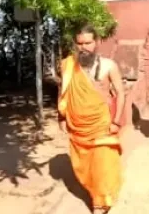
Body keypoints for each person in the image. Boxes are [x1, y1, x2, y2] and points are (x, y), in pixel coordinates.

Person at [57, 24, 126, 214]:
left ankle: (101, 203)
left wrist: (116, 121)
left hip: (101, 124)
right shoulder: (68, 66)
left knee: (103, 163)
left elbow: (120, 93)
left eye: (88, 42)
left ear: (96, 42)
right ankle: (95, 193)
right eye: (79, 43)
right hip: (77, 127)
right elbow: (62, 91)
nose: (83, 47)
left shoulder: (109, 66)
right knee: (86, 166)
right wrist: (61, 116)